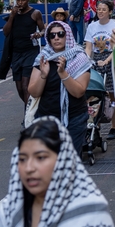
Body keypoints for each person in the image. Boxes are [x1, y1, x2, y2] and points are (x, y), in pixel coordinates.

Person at [28, 21, 92, 154]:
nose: (56, 38)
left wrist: (63, 73)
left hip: (74, 119)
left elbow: (79, 92)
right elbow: (34, 92)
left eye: (60, 34)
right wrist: (43, 76)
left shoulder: (79, 58)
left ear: (67, 36)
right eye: (52, 35)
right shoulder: (43, 58)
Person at [84, 0, 115, 140]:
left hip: (112, 59)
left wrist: (106, 61)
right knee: (95, 94)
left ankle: (114, 126)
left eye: (103, 9)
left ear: (110, 11)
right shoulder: (92, 26)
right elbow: (88, 46)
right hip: (96, 60)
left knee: (113, 95)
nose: (100, 11)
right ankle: (96, 123)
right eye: (98, 9)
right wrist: (87, 60)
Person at [0, 0, 46, 104]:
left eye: (23, 0)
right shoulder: (13, 14)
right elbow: (5, 32)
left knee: (26, 87)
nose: (20, 2)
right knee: (20, 88)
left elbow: (43, 29)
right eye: (18, 0)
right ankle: (30, 108)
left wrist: (39, 34)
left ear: (28, 0)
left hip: (30, 52)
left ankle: (28, 117)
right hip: (16, 53)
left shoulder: (35, 13)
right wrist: (12, 16)